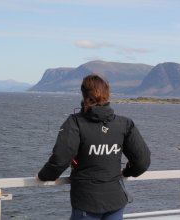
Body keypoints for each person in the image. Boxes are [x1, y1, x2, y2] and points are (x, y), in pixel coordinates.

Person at [37, 74, 151, 220]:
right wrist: (127, 172)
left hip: (86, 203)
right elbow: (142, 162)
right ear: (107, 95)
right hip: (115, 201)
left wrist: (44, 176)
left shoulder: (75, 123)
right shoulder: (124, 124)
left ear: (86, 97)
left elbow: (60, 159)